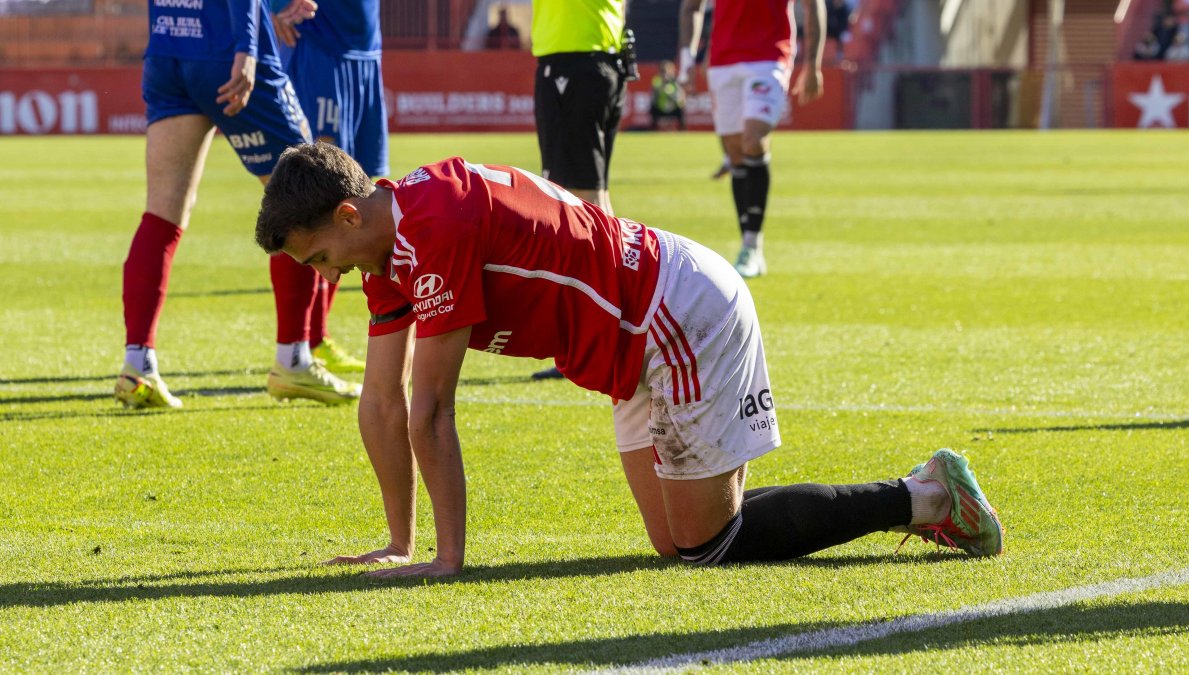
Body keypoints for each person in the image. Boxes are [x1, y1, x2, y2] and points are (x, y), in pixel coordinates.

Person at [254, 143, 1005, 577]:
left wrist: (447, 562)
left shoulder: (436, 226)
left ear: (349, 214)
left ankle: (928, 495)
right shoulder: (386, 253)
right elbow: (383, 401)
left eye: (319, 256)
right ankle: (872, 492)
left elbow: (432, 407)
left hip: (675, 316)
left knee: (708, 544)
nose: (325, 276)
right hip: (633, 344)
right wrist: (399, 545)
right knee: (677, 541)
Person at [116, 0, 361, 409]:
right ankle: (294, 359)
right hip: (228, 52)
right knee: (307, 192)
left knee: (162, 212)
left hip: (168, 51)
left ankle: (136, 364)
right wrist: (247, 50)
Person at [267, 0, 390, 380]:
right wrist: (269, 8)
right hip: (319, 48)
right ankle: (292, 352)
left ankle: (317, 340)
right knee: (309, 201)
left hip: (366, 54)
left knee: (361, 197)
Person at [678, 0, 826, 278]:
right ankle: (747, 241)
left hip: (769, 58)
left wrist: (812, 65)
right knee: (735, 154)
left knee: (752, 140)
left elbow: (813, 5)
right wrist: (687, 59)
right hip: (722, 61)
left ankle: (752, 246)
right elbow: (691, 7)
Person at [528, 0, 633, 380]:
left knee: (579, 202)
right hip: (601, 57)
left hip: (573, 59)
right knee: (595, 199)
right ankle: (614, 329)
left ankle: (597, 338)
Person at [649, 60, 686, 130]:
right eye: (662, 72)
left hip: (673, 108)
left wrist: (671, 94)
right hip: (660, 109)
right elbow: (653, 97)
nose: (664, 74)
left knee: (681, 110)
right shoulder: (657, 81)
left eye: (666, 72)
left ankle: (683, 130)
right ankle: (653, 130)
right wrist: (659, 90)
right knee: (652, 109)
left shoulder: (674, 82)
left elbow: (681, 99)